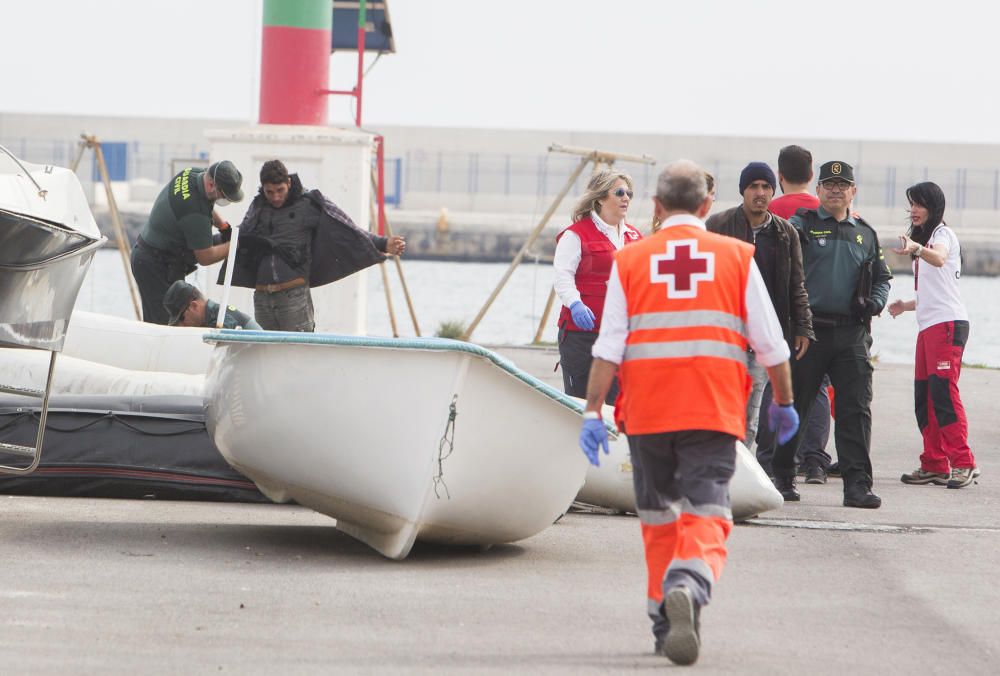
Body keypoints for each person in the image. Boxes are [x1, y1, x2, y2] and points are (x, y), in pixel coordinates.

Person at [578, 160, 799, 666]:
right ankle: (689, 581)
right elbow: (772, 345)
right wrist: (784, 403)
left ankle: (664, 624)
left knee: (658, 520)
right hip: (713, 410)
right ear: (706, 206)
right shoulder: (736, 257)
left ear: (656, 207)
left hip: (648, 414)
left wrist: (592, 413)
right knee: (709, 511)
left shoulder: (631, 259)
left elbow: (608, 347)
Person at [771, 161, 892, 508]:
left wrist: (876, 302)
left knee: (855, 410)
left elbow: (882, 277)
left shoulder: (865, 233)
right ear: (818, 190)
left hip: (852, 333)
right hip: (809, 332)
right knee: (796, 406)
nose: (836, 190)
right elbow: (782, 259)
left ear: (853, 192)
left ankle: (857, 486)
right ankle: (782, 478)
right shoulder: (801, 226)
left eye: (843, 185)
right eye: (829, 184)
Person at [223, 160, 406, 331]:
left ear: (288, 182)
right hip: (262, 298)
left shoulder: (310, 202)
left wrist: (383, 243)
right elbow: (240, 234)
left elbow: (347, 227)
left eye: (280, 190)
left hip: (293, 297)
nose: (276, 197)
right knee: (265, 355)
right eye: (269, 192)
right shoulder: (258, 206)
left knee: (298, 354)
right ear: (263, 188)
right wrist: (209, 239)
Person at [706, 161, 813, 452]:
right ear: (743, 190)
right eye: (754, 186)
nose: (760, 192)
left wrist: (803, 326)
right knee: (720, 410)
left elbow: (797, 285)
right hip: (726, 336)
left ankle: (738, 473)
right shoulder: (718, 226)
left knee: (750, 418)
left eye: (766, 186)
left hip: (763, 335)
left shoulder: (786, 232)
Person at [889, 182, 978, 489]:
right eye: (911, 204)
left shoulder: (942, 236)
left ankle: (963, 463)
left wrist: (915, 248)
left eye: (920, 204)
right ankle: (934, 463)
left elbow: (939, 258)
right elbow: (934, 292)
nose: (913, 210)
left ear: (934, 208)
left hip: (948, 326)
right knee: (924, 397)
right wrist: (906, 305)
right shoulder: (926, 242)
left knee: (943, 393)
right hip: (929, 326)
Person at [760, 145, 834, 481]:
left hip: (776, 310)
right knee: (816, 385)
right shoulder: (829, 209)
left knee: (770, 381)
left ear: (779, 175)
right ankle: (814, 459)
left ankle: (768, 456)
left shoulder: (768, 210)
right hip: (820, 313)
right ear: (811, 174)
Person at [553, 170, 642, 403]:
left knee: (617, 405)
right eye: (619, 192)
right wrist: (575, 304)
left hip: (619, 335)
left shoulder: (634, 236)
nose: (626, 198)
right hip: (581, 337)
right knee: (580, 403)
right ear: (601, 198)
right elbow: (563, 277)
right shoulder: (575, 235)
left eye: (629, 193)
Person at [131, 161, 244, 324]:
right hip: (155, 265)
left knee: (174, 320)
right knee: (165, 324)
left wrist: (224, 227)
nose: (223, 199)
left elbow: (207, 206)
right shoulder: (194, 211)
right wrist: (234, 246)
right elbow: (205, 257)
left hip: (157, 253)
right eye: (224, 196)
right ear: (212, 184)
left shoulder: (193, 174)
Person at [163, 280, 261, 330]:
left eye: (181, 318)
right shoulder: (212, 316)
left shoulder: (221, 318)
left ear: (194, 306)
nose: (181, 325)